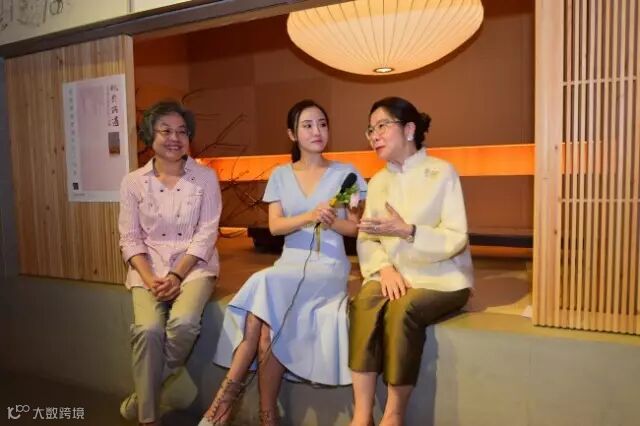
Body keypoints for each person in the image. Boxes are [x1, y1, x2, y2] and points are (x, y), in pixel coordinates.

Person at [199, 99, 367, 426]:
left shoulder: (346, 174)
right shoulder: (280, 175)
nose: (317, 131)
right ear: (292, 133)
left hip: (327, 267)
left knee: (263, 286)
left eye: (322, 124)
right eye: (308, 125)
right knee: (266, 330)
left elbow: (355, 227)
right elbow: (275, 227)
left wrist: (332, 221)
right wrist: (310, 215)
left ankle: (223, 402)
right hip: (288, 265)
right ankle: (267, 416)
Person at [349, 97, 473, 426]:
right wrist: (384, 268)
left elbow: (456, 236)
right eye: (370, 130)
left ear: (409, 130)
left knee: (402, 309)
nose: (374, 136)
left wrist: (409, 231)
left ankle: (394, 415)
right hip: (394, 275)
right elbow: (368, 238)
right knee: (363, 302)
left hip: (443, 277)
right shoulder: (378, 182)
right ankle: (361, 415)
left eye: (381, 126)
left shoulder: (442, 172)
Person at [118, 100, 222, 426]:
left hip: (194, 267)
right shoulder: (133, 182)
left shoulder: (205, 178)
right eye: (165, 131)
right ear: (150, 135)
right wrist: (151, 279)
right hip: (148, 269)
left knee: (184, 323)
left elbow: (206, 234)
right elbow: (129, 238)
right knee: (147, 329)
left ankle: (142, 398)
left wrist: (177, 275)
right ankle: (148, 419)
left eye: (182, 132)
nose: (175, 138)